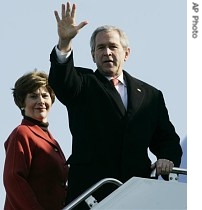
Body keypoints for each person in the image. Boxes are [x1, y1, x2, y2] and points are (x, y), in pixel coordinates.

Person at [48, 2, 183, 209]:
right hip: (91, 193)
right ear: (93, 55)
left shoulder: (150, 95)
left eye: (113, 46)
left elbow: (166, 139)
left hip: (136, 193)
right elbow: (62, 81)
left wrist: (167, 158)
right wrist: (64, 43)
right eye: (100, 48)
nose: (107, 52)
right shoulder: (82, 83)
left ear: (126, 53)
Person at [3, 70, 69, 210]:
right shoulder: (22, 133)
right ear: (22, 102)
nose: (41, 101)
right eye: (33, 96)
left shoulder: (51, 140)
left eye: (45, 96)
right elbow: (13, 178)